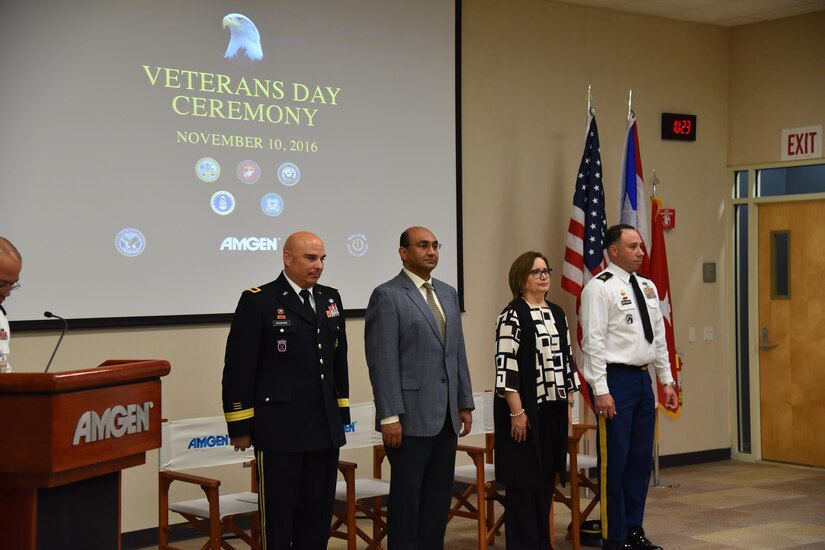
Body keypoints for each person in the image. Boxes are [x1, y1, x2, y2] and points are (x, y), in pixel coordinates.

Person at [222, 231, 349, 550]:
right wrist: (240, 425)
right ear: (287, 258)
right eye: (311, 258)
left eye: (322, 259)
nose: (319, 265)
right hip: (279, 429)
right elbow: (239, 367)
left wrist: (341, 412)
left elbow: (338, 362)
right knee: (278, 520)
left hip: (323, 426)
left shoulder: (330, 298)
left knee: (317, 517)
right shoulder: (259, 300)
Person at [364, 226, 474, 550]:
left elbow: (457, 353)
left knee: (439, 500)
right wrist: (389, 416)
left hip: (446, 417)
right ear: (404, 252)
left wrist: (464, 402)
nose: (431, 251)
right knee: (407, 502)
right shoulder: (387, 295)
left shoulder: (448, 293)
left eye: (435, 246)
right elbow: (382, 361)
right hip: (408, 420)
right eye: (423, 245)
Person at [579, 224, 678, 550]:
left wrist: (666, 380)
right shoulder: (599, 287)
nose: (640, 252)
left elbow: (658, 338)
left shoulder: (647, 287)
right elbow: (592, 343)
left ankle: (635, 530)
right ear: (613, 250)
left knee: (639, 460)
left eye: (641, 246)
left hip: (641, 379)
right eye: (633, 247)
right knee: (615, 462)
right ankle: (615, 535)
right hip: (615, 380)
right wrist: (601, 390)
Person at [493, 251, 579, 549]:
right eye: (536, 272)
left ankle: (542, 543)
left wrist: (568, 404)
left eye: (546, 271)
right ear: (521, 279)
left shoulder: (557, 313)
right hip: (524, 412)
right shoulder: (512, 314)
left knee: (544, 483)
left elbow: (567, 362)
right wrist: (517, 413)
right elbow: (506, 366)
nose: (544, 276)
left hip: (553, 409)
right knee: (523, 483)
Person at [0, 237, 22, 373]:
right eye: (1, 285)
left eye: (12, 284)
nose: (7, 293)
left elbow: (2, 364)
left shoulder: (1, 318)